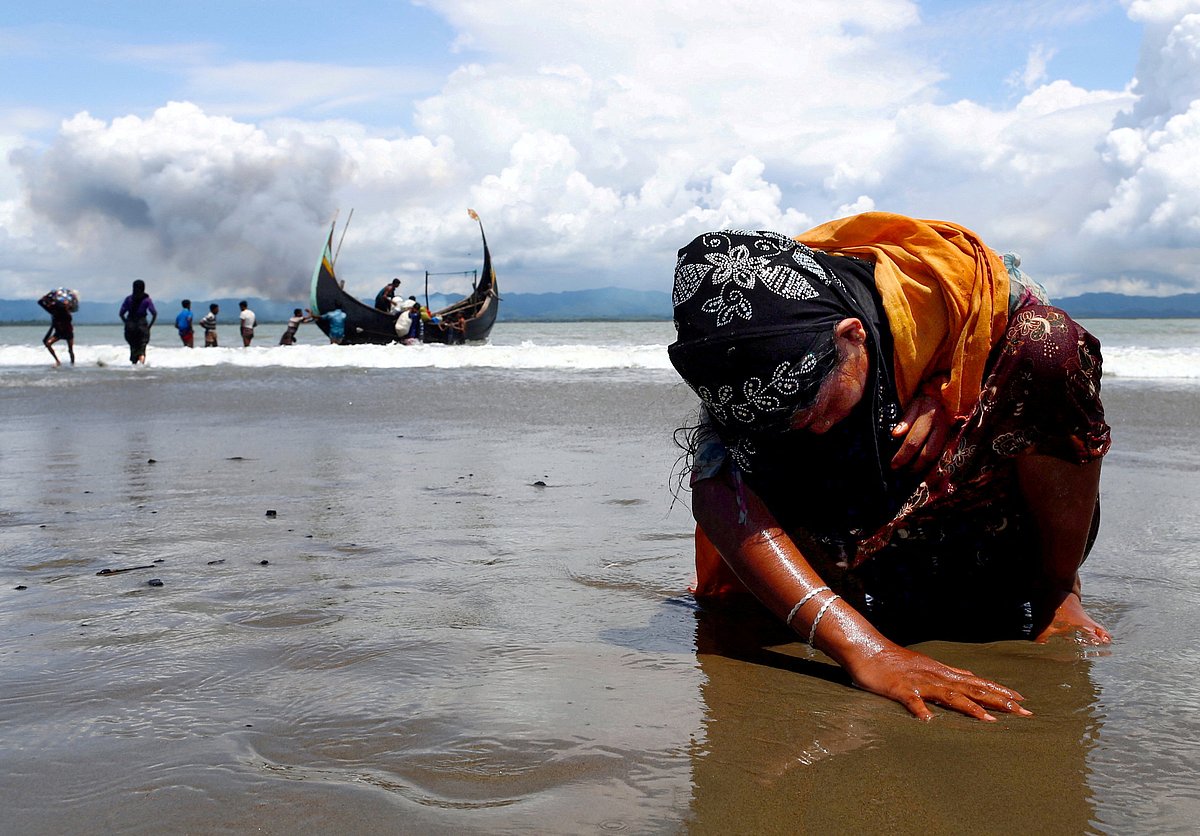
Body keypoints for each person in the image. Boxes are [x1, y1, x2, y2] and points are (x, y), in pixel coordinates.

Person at [669, 214, 1111, 723]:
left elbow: (1032, 354)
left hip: (984, 529)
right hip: (857, 548)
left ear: (852, 336)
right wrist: (867, 651)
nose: (806, 430)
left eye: (809, 410)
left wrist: (949, 387)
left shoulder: (960, 288)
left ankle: (1057, 591)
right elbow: (719, 491)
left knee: (1047, 344)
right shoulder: (746, 352)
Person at [118, 280, 157, 364]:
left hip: (130, 327)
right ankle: (141, 370)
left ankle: (134, 371)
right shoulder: (147, 300)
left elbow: (121, 314)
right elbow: (154, 313)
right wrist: (149, 326)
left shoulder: (128, 299)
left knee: (133, 349)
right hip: (142, 326)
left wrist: (126, 323)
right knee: (142, 349)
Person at [38, 288, 77, 366]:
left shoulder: (63, 310)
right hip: (58, 332)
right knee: (48, 344)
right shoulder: (53, 309)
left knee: (70, 350)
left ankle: (72, 364)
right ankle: (57, 361)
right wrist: (48, 295)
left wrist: (50, 298)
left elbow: (67, 307)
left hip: (68, 331)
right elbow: (40, 302)